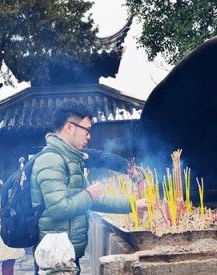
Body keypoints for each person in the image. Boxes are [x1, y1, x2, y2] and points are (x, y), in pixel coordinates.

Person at [30, 101, 146, 274]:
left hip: (66, 253)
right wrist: (89, 195)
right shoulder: (52, 160)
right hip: (55, 259)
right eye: (87, 130)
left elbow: (92, 201)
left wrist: (132, 205)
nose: (89, 136)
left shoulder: (72, 159)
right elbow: (58, 209)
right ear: (69, 127)